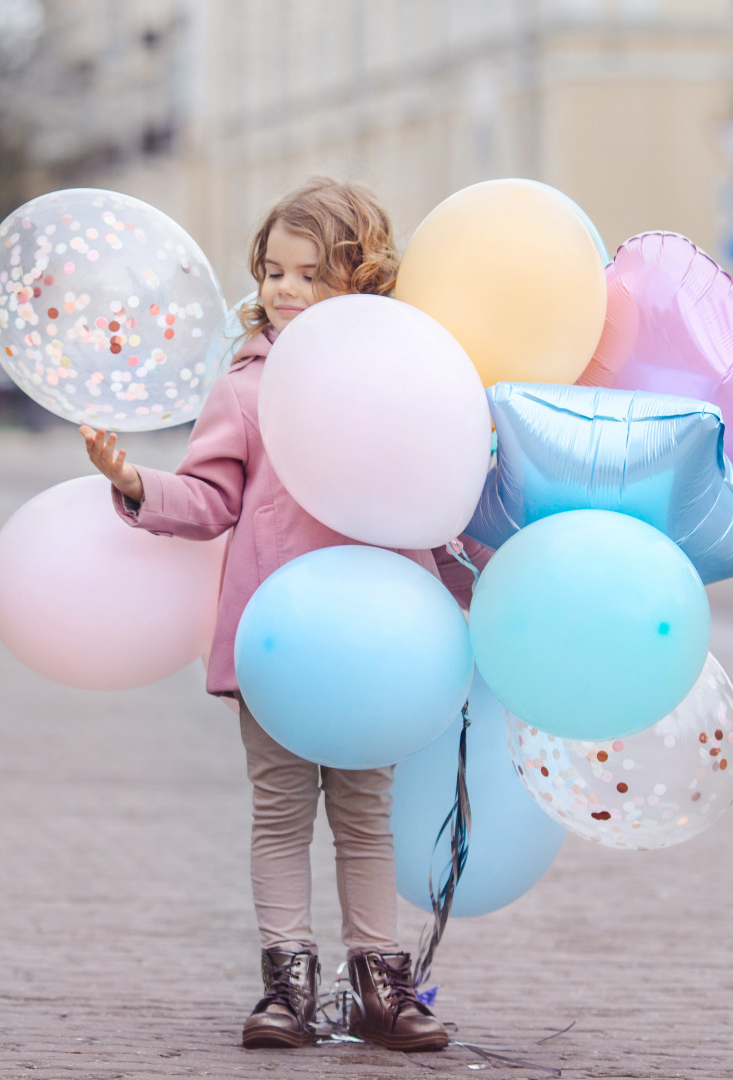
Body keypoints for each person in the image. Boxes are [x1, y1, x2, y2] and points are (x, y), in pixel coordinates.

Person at [79, 178, 489, 1052]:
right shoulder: (245, 387)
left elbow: (440, 496)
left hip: (380, 643)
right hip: (274, 641)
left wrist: (479, 578)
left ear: (359, 281)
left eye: (310, 274)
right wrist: (133, 484)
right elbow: (208, 500)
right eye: (273, 272)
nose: (286, 291)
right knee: (278, 810)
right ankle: (286, 985)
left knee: (362, 812)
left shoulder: (401, 376)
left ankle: (381, 985)